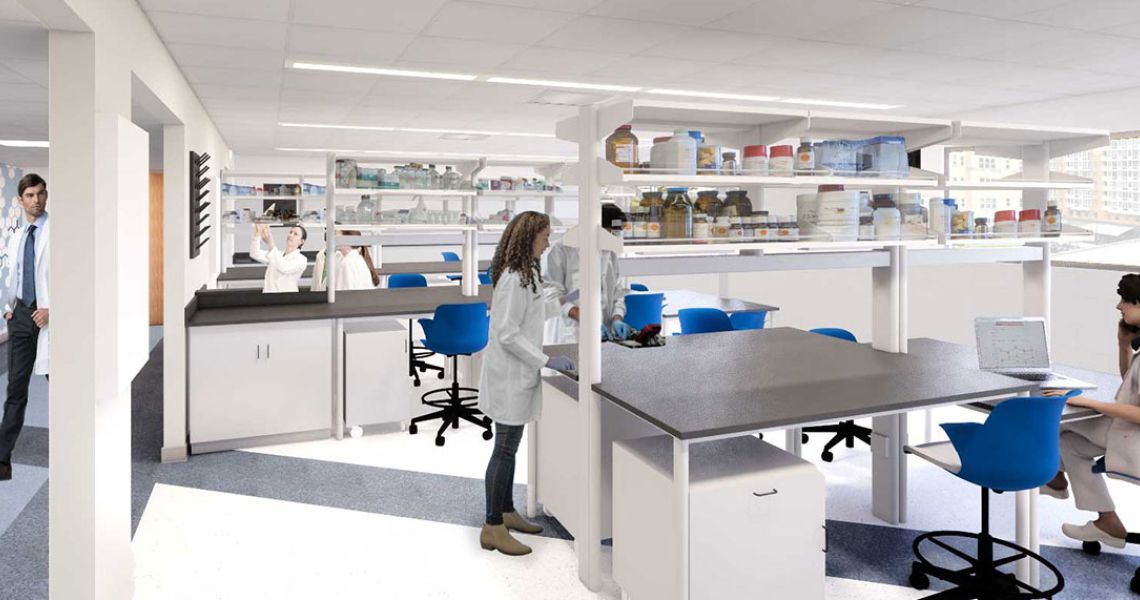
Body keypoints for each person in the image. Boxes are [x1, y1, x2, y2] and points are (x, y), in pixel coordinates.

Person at [479, 211, 575, 556]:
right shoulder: (513, 277)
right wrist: (545, 360)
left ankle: (506, 512)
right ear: (529, 237)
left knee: (511, 446)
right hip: (509, 376)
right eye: (545, 236)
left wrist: (564, 301)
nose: (548, 243)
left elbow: (533, 314)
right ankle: (492, 526)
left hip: (519, 375)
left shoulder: (528, 274)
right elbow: (507, 332)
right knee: (504, 449)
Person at [1042, 273, 1140, 548]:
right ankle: (1107, 521)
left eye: (1126, 301)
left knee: (1052, 423)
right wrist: (1123, 345)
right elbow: (1130, 383)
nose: (1119, 306)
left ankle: (1053, 478)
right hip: (1126, 431)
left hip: (1133, 436)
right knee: (1069, 443)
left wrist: (1088, 402)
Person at [0, 173, 50, 482]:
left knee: (65, 388)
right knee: (15, 390)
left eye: (41, 194)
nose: (36, 199)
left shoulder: (58, 231)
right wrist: (8, 309)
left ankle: (78, 449)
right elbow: (11, 274)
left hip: (49, 318)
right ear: (21, 201)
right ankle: (2, 458)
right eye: (30, 195)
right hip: (21, 317)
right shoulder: (18, 234)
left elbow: (73, 275)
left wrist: (53, 309)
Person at [543, 202, 634, 343]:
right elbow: (551, 294)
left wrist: (617, 318)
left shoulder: (609, 252)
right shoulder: (562, 249)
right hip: (570, 333)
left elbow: (617, 292)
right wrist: (588, 321)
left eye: (617, 233)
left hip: (603, 333)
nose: (614, 238)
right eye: (610, 232)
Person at [311, 230, 379, 291]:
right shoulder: (355, 259)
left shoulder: (347, 263)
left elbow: (345, 294)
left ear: (346, 239)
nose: (333, 238)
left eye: (336, 235)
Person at [250, 223, 307, 293]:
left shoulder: (301, 260)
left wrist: (271, 244)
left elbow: (284, 267)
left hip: (286, 299)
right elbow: (255, 253)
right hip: (268, 297)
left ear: (301, 241)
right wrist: (257, 234)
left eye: (295, 234)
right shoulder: (277, 254)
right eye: (290, 232)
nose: (291, 235)